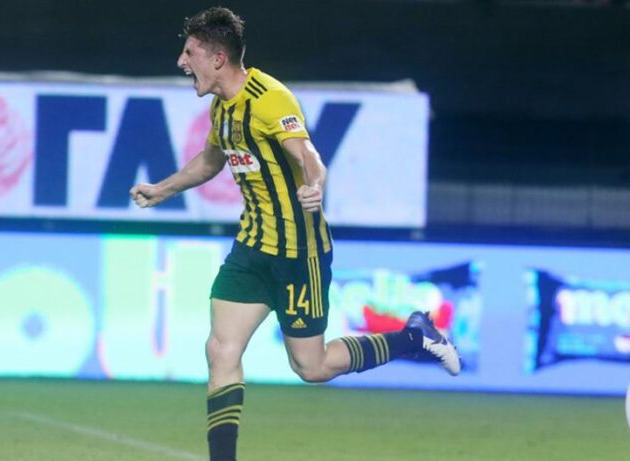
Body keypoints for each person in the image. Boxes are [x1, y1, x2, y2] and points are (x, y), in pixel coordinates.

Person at [130, 7, 460, 461]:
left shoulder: (270, 99)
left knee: (312, 366)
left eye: (190, 53)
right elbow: (210, 161)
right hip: (251, 250)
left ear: (218, 58)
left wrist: (315, 184)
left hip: (298, 253)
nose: (181, 62)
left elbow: (307, 154)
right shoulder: (222, 108)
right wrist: (161, 190)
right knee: (220, 349)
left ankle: (414, 338)